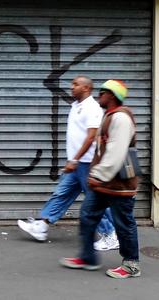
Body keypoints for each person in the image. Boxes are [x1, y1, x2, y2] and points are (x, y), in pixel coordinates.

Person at [18, 76, 118, 250]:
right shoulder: (76, 106)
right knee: (62, 194)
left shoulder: (92, 108)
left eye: (76, 84)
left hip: (86, 163)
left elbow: (91, 136)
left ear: (86, 88)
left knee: (94, 201)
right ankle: (42, 226)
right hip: (77, 164)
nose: (72, 87)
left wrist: (75, 159)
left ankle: (110, 235)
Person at [60, 80, 141, 279]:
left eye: (102, 93)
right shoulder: (110, 116)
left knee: (124, 223)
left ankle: (131, 265)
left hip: (119, 183)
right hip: (105, 183)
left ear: (111, 95)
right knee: (88, 216)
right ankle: (88, 258)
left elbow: (116, 152)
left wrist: (97, 175)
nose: (99, 96)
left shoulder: (121, 118)